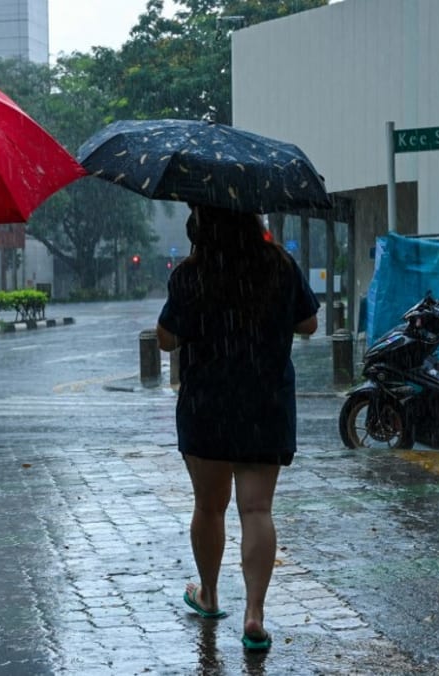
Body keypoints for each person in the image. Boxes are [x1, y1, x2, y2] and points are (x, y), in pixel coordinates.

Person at [156, 204, 319, 653]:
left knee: (209, 508)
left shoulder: (192, 273)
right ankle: (254, 614)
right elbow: (309, 323)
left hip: (207, 403)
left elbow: (166, 338)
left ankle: (209, 595)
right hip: (264, 403)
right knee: (257, 510)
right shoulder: (278, 265)